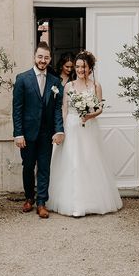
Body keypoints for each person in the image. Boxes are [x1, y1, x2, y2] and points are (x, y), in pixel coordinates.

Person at [47, 50, 123, 217]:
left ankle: (93, 202)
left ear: (90, 68)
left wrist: (89, 115)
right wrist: (61, 130)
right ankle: (74, 203)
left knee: (89, 161)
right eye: (78, 66)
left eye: (84, 67)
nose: (80, 70)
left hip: (89, 128)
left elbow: (100, 108)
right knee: (72, 163)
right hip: (72, 127)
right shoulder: (69, 86)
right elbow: (64, 109)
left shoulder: (95, 86)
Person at [12, 42, 65, 219]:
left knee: (44, 168)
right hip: (27, 134)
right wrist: (18, 133)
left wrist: (59, 130)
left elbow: (57, 109)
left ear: (50, 59)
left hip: (46, 133)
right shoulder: (22, 79)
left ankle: (42, 202)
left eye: (46, 57)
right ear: (35, 57)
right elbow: (17, 109)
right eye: (40, 57)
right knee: (28, 167)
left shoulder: (55, 81)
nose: (43, 60)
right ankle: (29, 198)